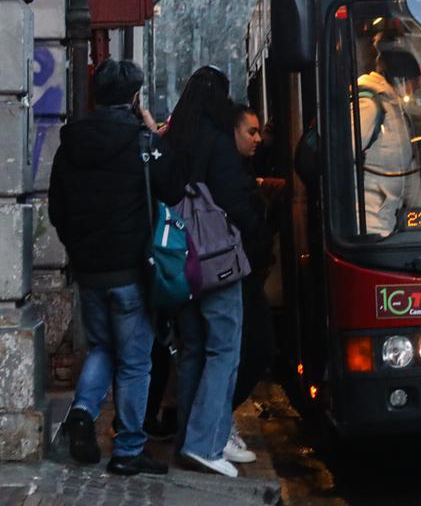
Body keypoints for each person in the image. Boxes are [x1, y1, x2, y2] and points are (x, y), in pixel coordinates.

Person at [49, 59, 184, 476]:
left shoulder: (69, 145)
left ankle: (84, 410)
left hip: (90, 270)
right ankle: (127, 449)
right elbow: (174, 187)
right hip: (132, 271)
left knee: (104, 348)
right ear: (133, 97)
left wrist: (81, 248)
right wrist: (152, 128)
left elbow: (58, 210)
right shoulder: (143, 143)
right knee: (134, 362)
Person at [163, 66, 260, 478]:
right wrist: (255, 226)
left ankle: (194, 437)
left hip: (179, 264)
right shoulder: (218, 143)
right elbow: (235, 201)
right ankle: (206, 442)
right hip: (216, 261)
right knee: (225, 349)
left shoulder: (170, 141)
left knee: (193, 351)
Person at [226, 105, 281, 464]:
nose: (258, 138)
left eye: (260, 131)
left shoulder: (240, 168)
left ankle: (215, 422)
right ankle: (214, 423)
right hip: (234, 272)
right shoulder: (227, 172)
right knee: (247, 348)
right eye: (251, 131)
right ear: (233, 133)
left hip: (241, 270)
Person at [356, 34, 421, 235]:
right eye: (412, 85)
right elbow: (340, 161)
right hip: (367, 226)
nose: (412, 92)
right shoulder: (369, 106)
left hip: (385, 223)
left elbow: (408, 177)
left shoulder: (394, 110)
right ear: (402, 79)